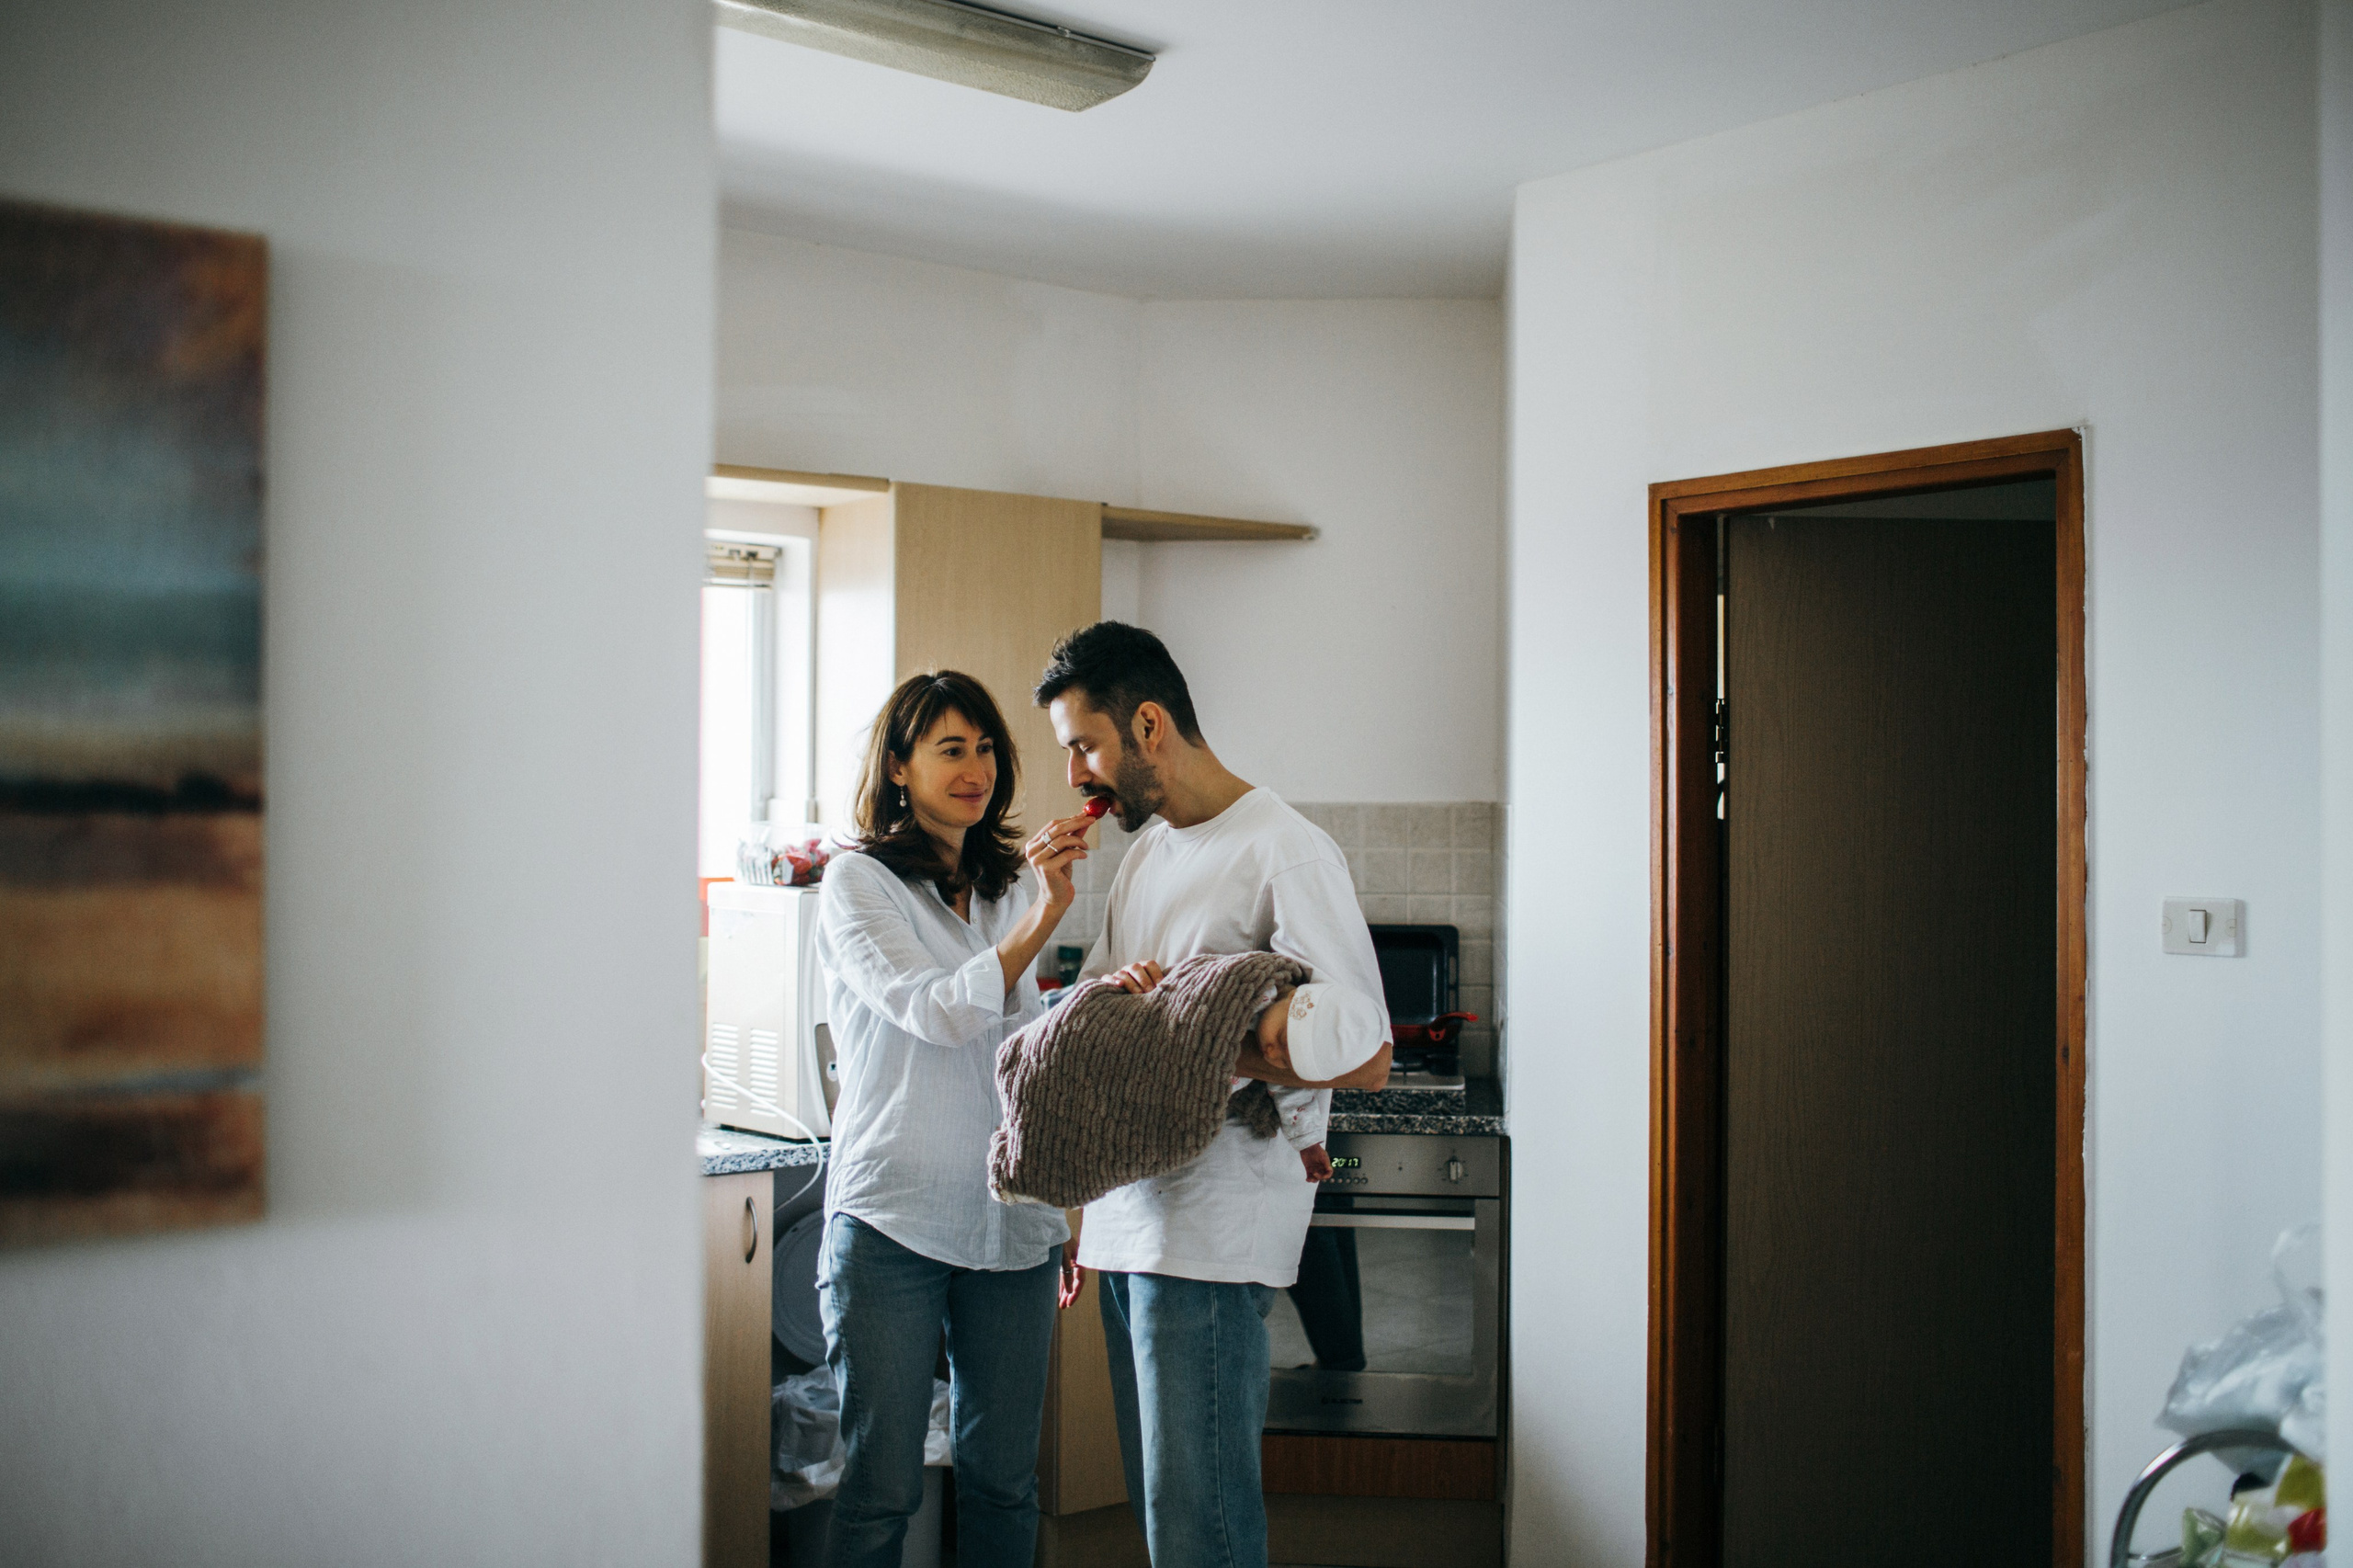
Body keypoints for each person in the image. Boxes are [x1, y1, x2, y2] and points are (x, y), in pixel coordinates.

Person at [1032, 622, 1392, 1568]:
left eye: (1084, 745)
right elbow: (1100, 1024)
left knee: (1201, 1529)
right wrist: (1079, 1209)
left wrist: (1186, 1038)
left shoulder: (1285, 850)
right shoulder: (1147, 855)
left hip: (1211, 1234)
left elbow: (1368, 1055)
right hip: (1129, 1221)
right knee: (1168, 1516)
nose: (1074, 774)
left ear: (1148, 725)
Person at [812, 670, 1101, 1568]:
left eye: (984, 749)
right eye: (950, 750)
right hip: (892, 1220)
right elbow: (936, 1010)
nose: (975, 769)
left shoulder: (1007, 888)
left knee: (1004, 1482)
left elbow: (1024, 1057)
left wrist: (1060, 1201)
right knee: (880, 1491)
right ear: (899, 767)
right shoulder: (858, 883)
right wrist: (1043, 915)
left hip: (1011, 1223)